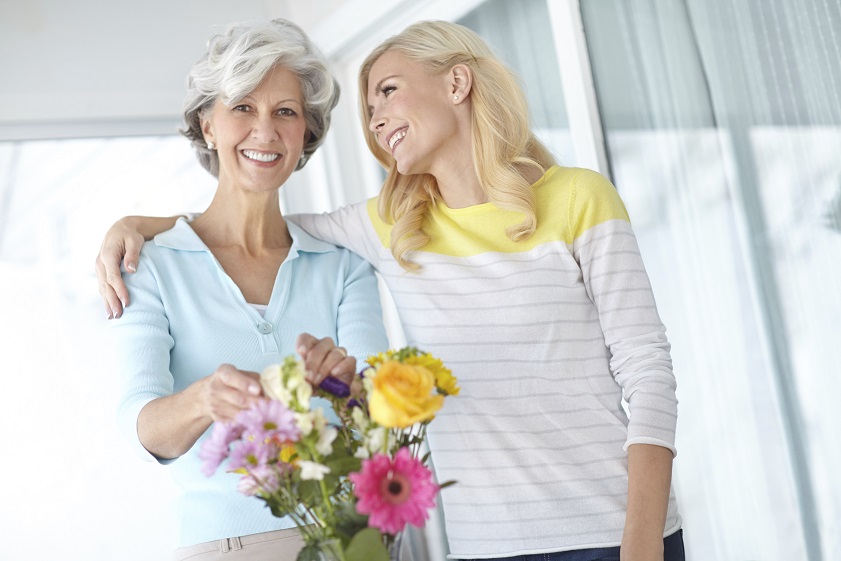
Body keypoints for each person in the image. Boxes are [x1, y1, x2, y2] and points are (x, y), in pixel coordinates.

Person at [97, 20, 684, 561]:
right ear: (209, 122)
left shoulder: (568, 198)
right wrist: (140, 227)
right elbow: (237, 228)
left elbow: (647, 368)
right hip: (480, 544)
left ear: (457, 83)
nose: (375, 117)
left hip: (614, 531)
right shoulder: (393, 229)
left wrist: (640, 543)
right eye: (242, 107)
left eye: (388, 91)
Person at [105, 18, 389, 561]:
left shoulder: (343, 265)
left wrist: (346, 387)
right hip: (225, 547)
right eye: (243, 107)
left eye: (285, 111)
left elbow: (379, 408)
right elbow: (138, 424)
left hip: (353, 540)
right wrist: (203, 399)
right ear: (207, 125)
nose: (265, 131)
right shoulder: (151, 264)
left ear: (307, 130)